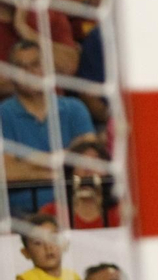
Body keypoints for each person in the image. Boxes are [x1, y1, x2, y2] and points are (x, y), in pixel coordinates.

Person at [1, 40, 93, 214]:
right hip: (22, 214)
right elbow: (6, 172)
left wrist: (25, 163)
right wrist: (64, 164)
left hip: (76, 209)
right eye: (21, 67)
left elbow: (90, 163)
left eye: (36, 64)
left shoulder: (75, 108)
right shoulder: (2, 116)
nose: (29, 72)